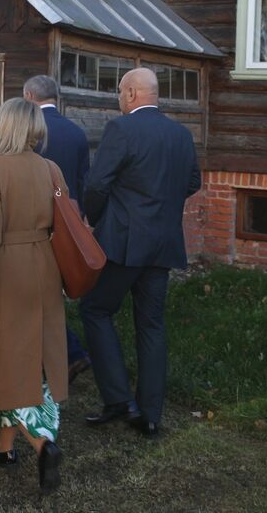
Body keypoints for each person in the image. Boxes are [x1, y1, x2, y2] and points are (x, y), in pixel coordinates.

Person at [79, 67, 200, 439]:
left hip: (124, 242)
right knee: (151, 325)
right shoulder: (181, 134)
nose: (118, 97)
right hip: (163, 243)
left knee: (94, 309)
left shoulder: (122, 129)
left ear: (131, 93)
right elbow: (192, 182)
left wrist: (93, 219)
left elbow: (98, 183)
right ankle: (150, 416)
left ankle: (118, 400)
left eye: (118, 91)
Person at [0, 98, 69, 494]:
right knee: (32, 358)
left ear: (4, 126)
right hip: (45, 266)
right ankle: (2, 446)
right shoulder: (52, 169)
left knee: (6, 358)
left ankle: (42, 445)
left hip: (5, 270)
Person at [23, 75, 93, 383]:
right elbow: (82, 182)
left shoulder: (29, 133)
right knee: (50, 293)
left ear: (28, 96)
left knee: (35, 295)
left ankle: (69, 353)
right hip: (67, 222)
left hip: (34, 223)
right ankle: (65, 355)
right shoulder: (76, 132)